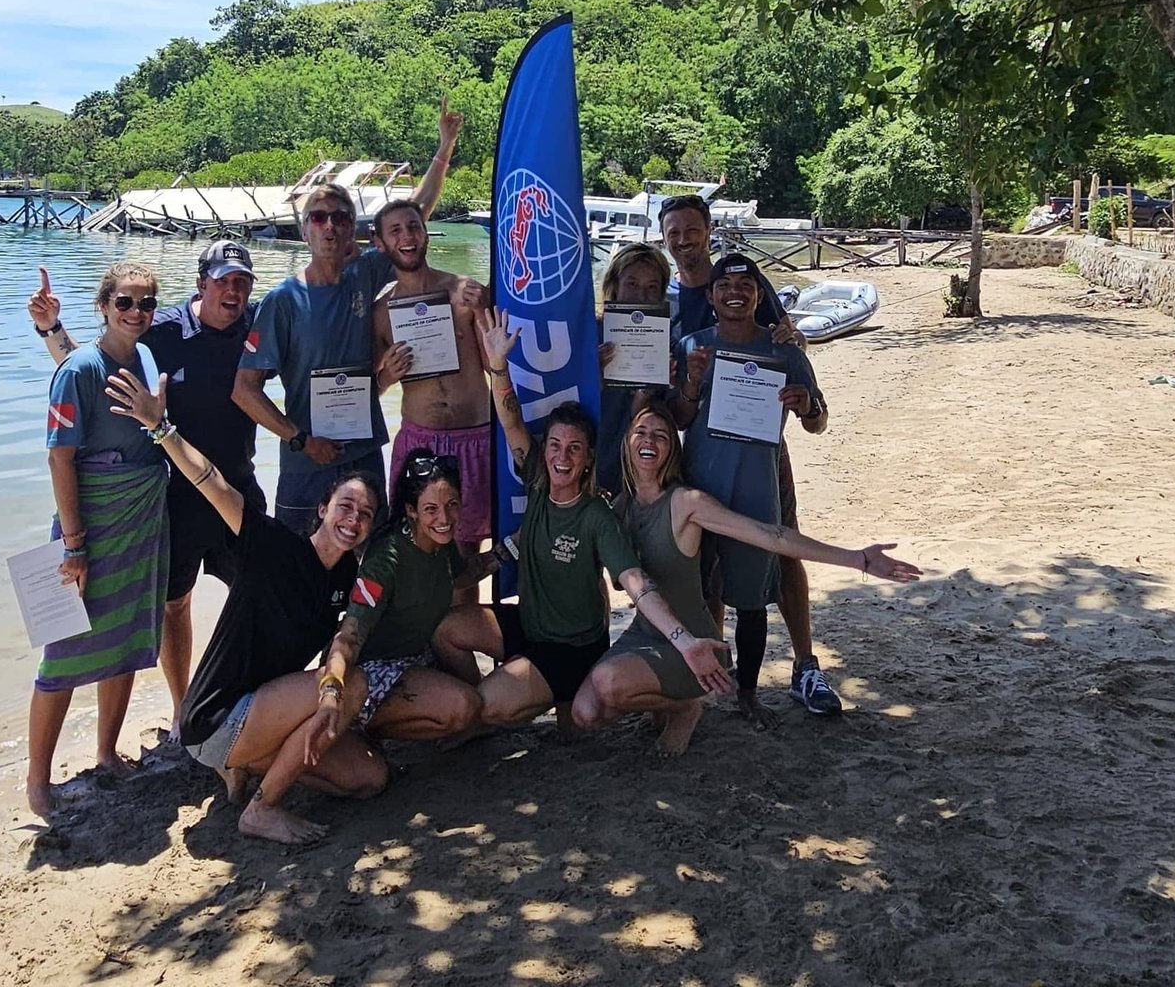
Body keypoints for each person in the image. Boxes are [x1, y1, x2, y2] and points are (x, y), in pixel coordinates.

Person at [104, 362, 389, 845]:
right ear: (322, 508)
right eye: (345, 506)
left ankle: (243, 767)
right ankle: (261, 809)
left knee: (370, 778)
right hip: (213, 717)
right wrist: (161, 427)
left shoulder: (344, 575)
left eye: (364, 514)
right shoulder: (272, 543)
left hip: (262, 711)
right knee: (351, 684)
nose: (353, 519)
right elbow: (210, 480)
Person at [431, 309, 734, 734]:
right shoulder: (537, 479)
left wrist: (684, 642)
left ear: (590, 458)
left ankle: (548, 694)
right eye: (554, 444)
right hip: (528, 625)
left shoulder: (597, 516)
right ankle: (490, 703)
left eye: (574, 448)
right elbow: (511, 420)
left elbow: (636, 584)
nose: (561, 456)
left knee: (490, 707)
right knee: (445, 629)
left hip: (572, 648)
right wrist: (497, 365)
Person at [574, 402, 921, 753]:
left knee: (608, 683)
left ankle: (685, 707)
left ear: (671, 451)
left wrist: (857, 558)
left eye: (661, 436)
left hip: (696, 644)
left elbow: (772, 536)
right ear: (626, 443)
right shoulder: (619, 509)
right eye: (641, 433)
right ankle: (663, 699)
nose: (649, 441)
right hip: (645, 635)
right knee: (585, 713)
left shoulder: (686, 503)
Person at [28, 240, 263, 741]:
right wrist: (51, 329)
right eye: (222, 279)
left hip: (236, 485)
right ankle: (185, 713)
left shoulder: (257, 322)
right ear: (201, 282)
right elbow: (92, 369)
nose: (232, 289)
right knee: (173, 604)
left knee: (259, 590)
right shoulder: (165, 329)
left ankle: (243, 694)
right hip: (174, 495)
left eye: (242, 281)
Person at [234, 106, 457, 534]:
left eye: (340, 218)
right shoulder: (282, 301)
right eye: (319, 218)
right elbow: (245, 392)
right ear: (305, 232)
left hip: (363, 452)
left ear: (352, 228)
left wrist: (444, 148)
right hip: (306, 462)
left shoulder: (366, 274)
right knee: (300, 571)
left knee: (368, 567)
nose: (330, 226)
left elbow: (415, 215)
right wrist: (299, 438)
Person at [660, 195, 842, 716]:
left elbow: (815, 411)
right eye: (673, 232)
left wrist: (807, 403)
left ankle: (804, 664)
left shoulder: (770, 323)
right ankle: (719, 674)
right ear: (665, 239)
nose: (682, 240)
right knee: (707, 573)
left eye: (691, 229)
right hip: (702, 468)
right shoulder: (675, 312)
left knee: (778, 555)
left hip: (764, 464)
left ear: (706, 230)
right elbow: (679, 409)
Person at [28, 261, 171, 818]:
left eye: (146, 304)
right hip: (89, 522)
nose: (136, 313)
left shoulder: (144, 359)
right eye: (125, 303)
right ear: (104, 306)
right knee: (63, 652)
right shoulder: (78, 369)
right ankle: (38, 781)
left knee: (125, 639)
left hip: (141, 516)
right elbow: (59, 457)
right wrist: (73, 543)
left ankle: (107, 752)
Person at [305, 450, 497, 756]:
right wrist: (332, 686)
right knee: (465, 706)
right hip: (370, 669)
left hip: (415, 657)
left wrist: (514, 547)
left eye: (452, 505)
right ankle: (365, 728)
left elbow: (463, 575)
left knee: (478, 705)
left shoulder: (439, 541)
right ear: (411, 510)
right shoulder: (386, 559)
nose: (444, 518)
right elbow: (350, 634)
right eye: (431, 509)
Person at [372, 195, 493, 598]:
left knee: (466, 554)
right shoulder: (381, 311)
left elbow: (498, 365)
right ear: (380, 243)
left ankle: (463, 644)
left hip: (472, 438)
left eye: (413, 227)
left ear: (426, 235)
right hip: (418, 439)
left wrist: (482, 312)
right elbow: (369, 390)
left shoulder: (463, 292)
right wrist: (386, 375)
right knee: (415, 550)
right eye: (396, 231)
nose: (407, 237)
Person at [595, 241, 671, 496]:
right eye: (632, 284)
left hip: (636, 466)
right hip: (587, 458)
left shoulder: (666, 340)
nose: (641, 295)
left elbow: (648, 416)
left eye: (652, 287)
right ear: (614, 287)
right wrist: (592, 377)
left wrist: (646, 391)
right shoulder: (587, 333)